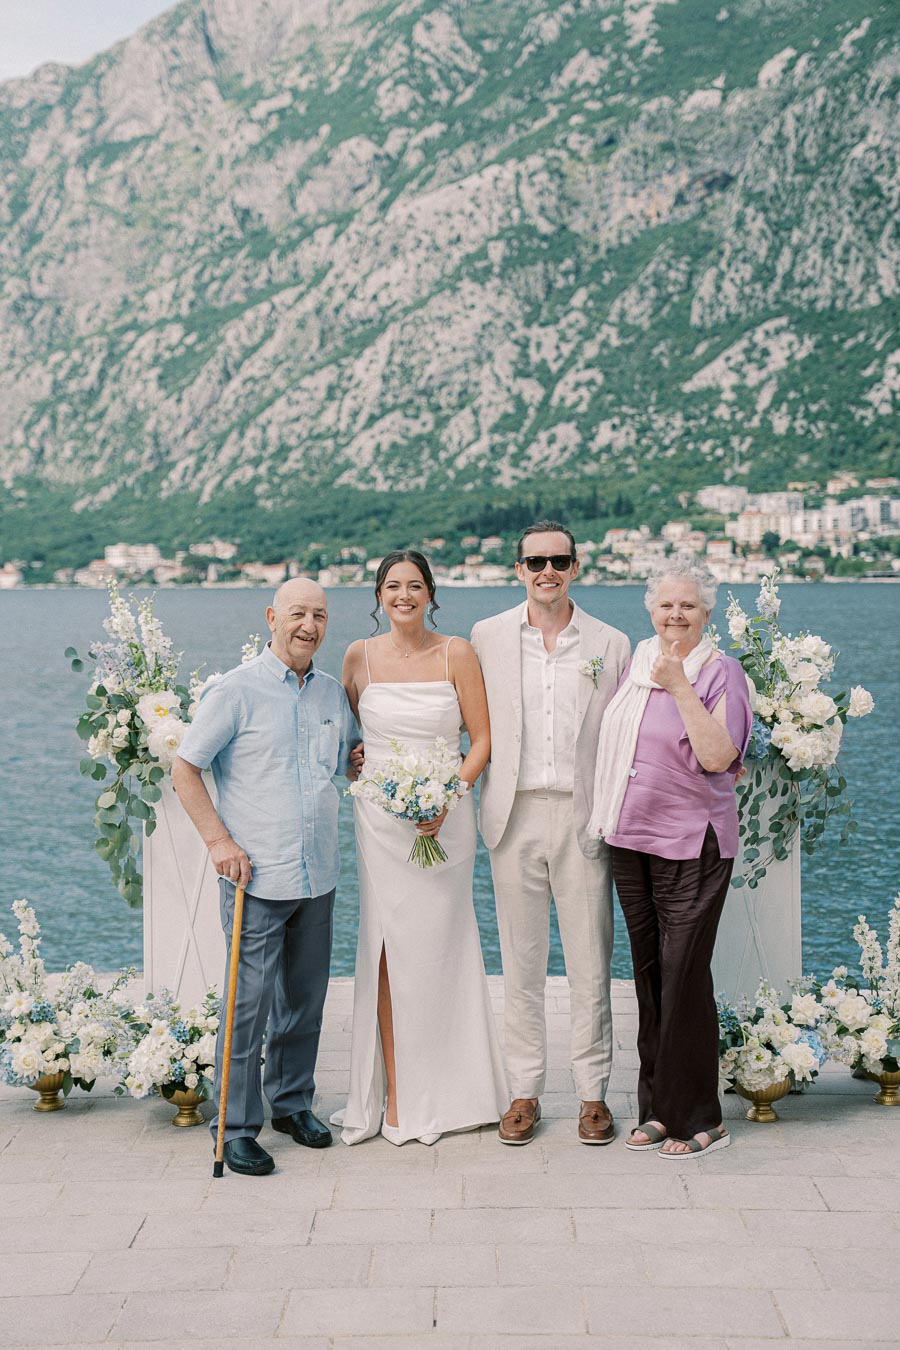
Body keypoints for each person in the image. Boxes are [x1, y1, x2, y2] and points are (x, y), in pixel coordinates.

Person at [172, 578, 360, 1176]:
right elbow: (185, 768)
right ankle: (234, 1126)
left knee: (304, 1002)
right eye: (298, 614)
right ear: (272, 617)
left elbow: (348, 762)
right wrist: (218, 841)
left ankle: (291, 1104)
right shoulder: (235, 690)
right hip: (256, 875)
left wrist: (367, 763)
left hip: (318, 873)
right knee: (246, 1008)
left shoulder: (332, 694)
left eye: (320, 615)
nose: (309, 625)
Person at [336, 550, 508, 1146]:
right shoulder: (358, 656)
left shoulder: (457, 652)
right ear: (378, 595)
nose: (403, 595)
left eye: (414, 585)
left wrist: (449, 796)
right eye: (392, 585)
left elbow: (481, 739)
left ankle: (455, 1091)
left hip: (445, 821)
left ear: (430, 593)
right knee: (387, 948)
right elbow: (354, 737)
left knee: (440, 949)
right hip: (380, 822)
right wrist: (359, 760)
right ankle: (395, 1094)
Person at [471, 521, 631, 1146]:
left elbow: (628, 730)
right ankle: (524, 1091)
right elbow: (457, 711)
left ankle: (593, 1095)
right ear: (518, 569)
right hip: (511, 816)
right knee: (522, 965)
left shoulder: (611, 643)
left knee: (592, 962)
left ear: (575, 566)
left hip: (583, 816)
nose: (547, 571)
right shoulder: (486, 637)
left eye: (558, 560)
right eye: (535, 561)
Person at [590, 556, 752, 1158]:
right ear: (650, 609)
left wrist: (680, 683)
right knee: (652, 976)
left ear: (706, 613)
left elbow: (717, 756)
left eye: (688, 605)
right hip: (631, 839)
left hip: (694, 842)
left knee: (684, 975)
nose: (675, 614)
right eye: (666, 604)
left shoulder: (721, 673)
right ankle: (658, 1109)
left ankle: (701, 1118)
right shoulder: (636, 664)